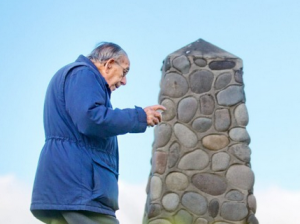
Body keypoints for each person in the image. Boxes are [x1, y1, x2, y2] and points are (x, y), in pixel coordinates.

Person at [30, 42, 166, 224]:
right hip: (79, 191)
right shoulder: (83, 74)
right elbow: (91, 118)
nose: (125, 81)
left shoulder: (77, 76)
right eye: (124, 72)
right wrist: (139, 116)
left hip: (70, 191)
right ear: (109, 64)